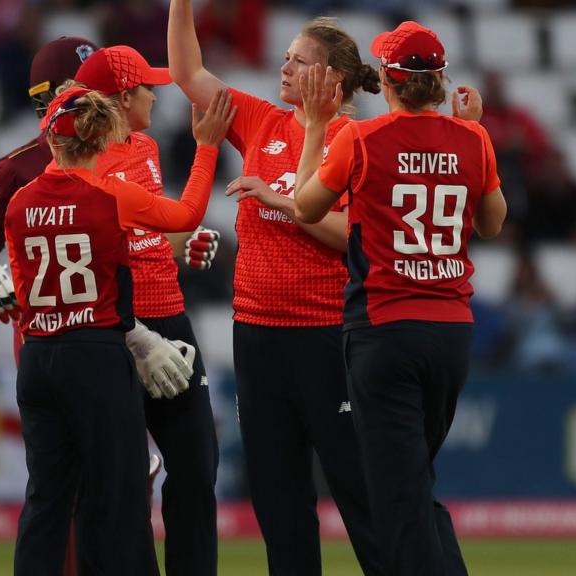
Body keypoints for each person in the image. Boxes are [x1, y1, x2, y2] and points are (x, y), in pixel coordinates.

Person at [168, 3, 388, 574]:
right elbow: (189, 75)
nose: (284, 67)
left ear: (332, 79)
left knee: (357, 489)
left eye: (299, 61)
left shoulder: (356, 140)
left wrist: (281, 200)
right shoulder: (260, 119)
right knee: (277, 496)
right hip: (258, 335)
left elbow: (352, 237)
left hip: (326, 335)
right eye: (286, 57)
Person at [291, 21, 507, 576]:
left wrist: (315, 127)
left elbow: (308, 207)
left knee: (396, 498)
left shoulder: (359, 138)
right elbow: (492, 221)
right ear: (438, 80)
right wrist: (472, 135)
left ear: (385, 79)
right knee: (413, 486)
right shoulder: (473, 138)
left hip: (384, 328)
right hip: (453, 331)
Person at [6, 84, 235, 575]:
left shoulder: (20, 203)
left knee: (46, 500)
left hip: (40, 354)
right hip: (96, 350)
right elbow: (188, 214)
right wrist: (208, 146)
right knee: (120, 493)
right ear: (99, 140)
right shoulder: (110, 195)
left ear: (50, 138)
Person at [73, 44, 221, 575]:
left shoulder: (146, 148)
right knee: (120, 480)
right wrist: (206, 148)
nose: (156, 95)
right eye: (147, 87)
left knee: (197, 467)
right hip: (119, 329)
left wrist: (179, 246)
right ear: (122, 97)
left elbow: (146, 230)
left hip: (171, 316)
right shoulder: (83, 163)